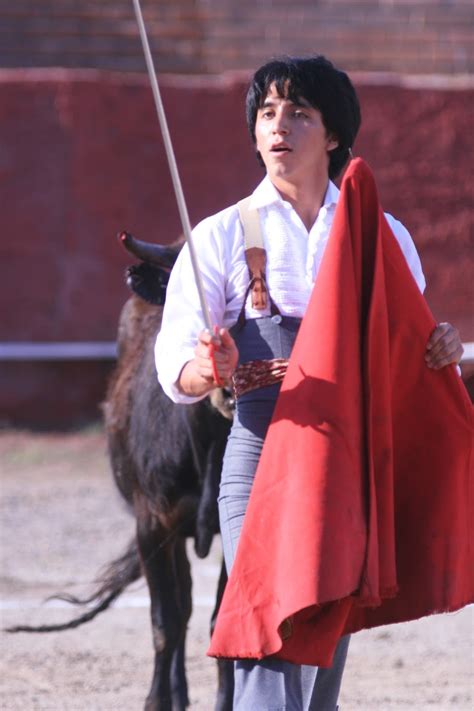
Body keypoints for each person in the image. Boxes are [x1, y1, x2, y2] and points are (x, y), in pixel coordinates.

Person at [155, 56, 463, 711]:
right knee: (276, 612)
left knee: (321, 626)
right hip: (262, 448)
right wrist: (209, 366)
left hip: (343, 458)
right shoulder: (219, 236)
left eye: (298, 112)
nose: (279, 125)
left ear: (332, 135)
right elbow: (175, 367)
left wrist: (439, 349)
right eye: (267, 113)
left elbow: (403, 349)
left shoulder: (383, 234)